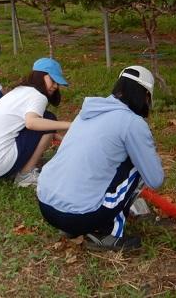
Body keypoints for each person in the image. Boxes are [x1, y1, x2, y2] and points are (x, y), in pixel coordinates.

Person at [37, 66, 164, 251]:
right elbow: (155, 179)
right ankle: (109, 233)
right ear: (144, 95)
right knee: (136, 164)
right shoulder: (132, 123)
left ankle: (75, 226)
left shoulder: (88, 111)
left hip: (47, 206)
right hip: (77, 215)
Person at [0, 57, 72, 187]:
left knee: (46, 119)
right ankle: (25, 175)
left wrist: (64, 141)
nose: (55, 86)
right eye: (53, 80)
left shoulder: (19, 91)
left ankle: (22, 165)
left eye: (57, 83)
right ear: (40, 76)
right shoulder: (38, 96)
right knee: (49, 119)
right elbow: (31, 123)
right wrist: (70, 125)